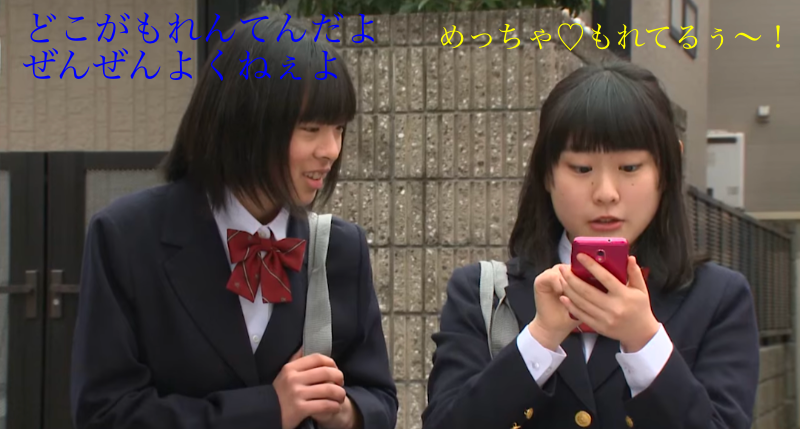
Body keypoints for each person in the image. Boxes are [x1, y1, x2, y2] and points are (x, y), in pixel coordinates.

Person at [70, 13, 397, 429]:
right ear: (244, 123)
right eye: (311, 128)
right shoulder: (127, 237)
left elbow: (379, 399)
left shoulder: (339, 248)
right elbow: (104, 413)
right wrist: (268, 409)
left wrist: (344, 411)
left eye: (338, 129)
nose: (330, 150)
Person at [421, 61, 759, 429]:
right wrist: (540, 338)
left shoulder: (718, 298)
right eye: (582, 169)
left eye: (630, 168)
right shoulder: (483, 293)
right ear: (547, 172)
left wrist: (644, 340)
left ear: (667, 169)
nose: (606, 194)